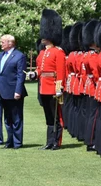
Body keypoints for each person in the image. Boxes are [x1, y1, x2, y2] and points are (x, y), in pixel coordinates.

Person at [29, 9, 66, 150]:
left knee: (56, 116)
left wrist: (59, 89)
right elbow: (40, 68)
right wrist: (35, 74)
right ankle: (49, 141)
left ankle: (57, 141)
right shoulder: (43, 52)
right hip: (43, 87)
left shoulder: (58, 52)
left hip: (53, 88)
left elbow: (61, 72)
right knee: (48, 116)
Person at [0, 34, 27, 149]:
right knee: (7, 119)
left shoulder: (19, 56)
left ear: (10, 43)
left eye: (3, 42)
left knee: (16, 118)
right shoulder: (1, 55)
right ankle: (10, 141)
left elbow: (20, 75)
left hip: (14, 92)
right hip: (3, 91)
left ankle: (17, 142)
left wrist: (18, 91)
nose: (1, 44)